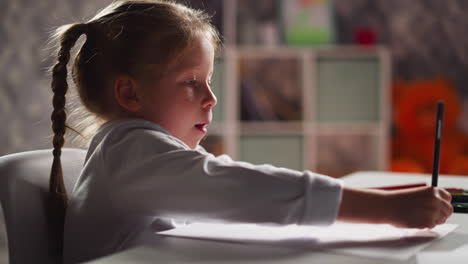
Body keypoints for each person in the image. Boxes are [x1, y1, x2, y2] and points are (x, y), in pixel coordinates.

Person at [47, 0, 453, 263]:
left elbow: (227, 198)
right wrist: (385, 211)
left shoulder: (133, 153)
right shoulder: (133, 153)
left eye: (209, 81)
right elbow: (240, 188)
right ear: (129, 92)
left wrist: (365, 201)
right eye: (190, 82)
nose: (211, 98)